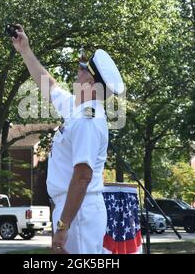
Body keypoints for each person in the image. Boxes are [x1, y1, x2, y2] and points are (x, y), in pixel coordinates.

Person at [11, 24, 124, 254]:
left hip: (78, 213)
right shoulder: (77, 108)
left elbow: (82, 177)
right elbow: (48, 84)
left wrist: (64, 225)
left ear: (91, 83)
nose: (78, 69)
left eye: (83, 68)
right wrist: (25, 50)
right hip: (73, 210)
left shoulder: (87, 119)